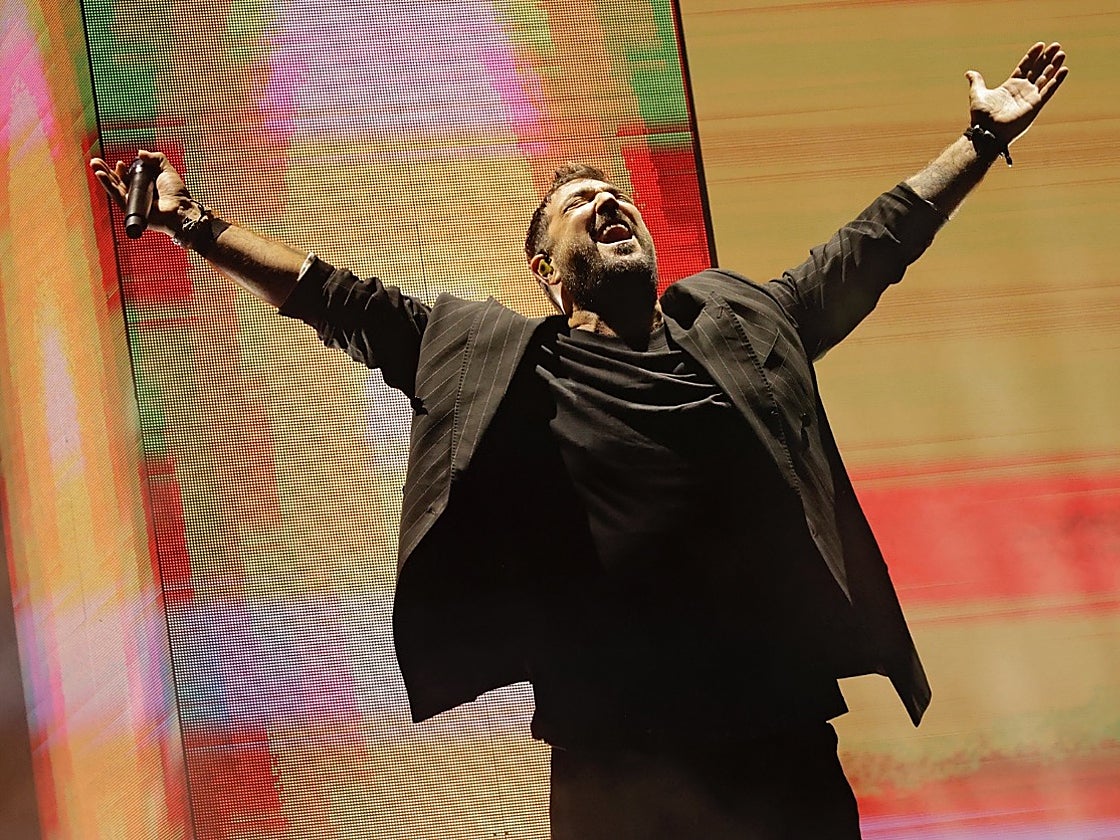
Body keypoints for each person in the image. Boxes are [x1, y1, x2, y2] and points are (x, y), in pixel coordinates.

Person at [91, 42, 1068, 839]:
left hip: (776, 746)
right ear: (545, 267)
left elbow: (874, 243)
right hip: (614, 766)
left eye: (615, 196)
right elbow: (338, 298)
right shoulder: (506, 363)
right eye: (577, 204)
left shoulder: (744, 325)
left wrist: (981, 139)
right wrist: (192, 223)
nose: (608, 204)